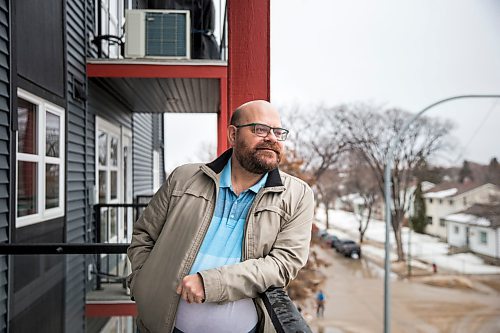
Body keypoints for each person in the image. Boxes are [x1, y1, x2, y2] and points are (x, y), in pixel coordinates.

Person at [127, 100, 314, 333]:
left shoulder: (297, 195)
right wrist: (144, 282)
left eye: (278, 132)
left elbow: (283, 264)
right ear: (233, 135)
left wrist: (211, 283)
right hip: (161, 327)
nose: (272, 138)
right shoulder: (184, 178)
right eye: (260, 130)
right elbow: (144, 235)